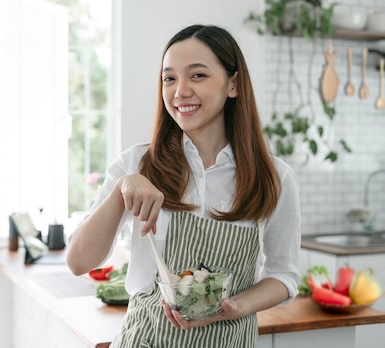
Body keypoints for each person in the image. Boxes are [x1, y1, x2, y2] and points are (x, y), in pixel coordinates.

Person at [66, 24, 301, 347]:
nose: (180, 91)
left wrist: (235, 307)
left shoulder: (274, 177)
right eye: (169, 78)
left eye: (198, 76)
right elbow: (79, 262)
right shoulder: (136, 165)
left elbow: (284, 275)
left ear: (233, 84)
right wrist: (122, 190)